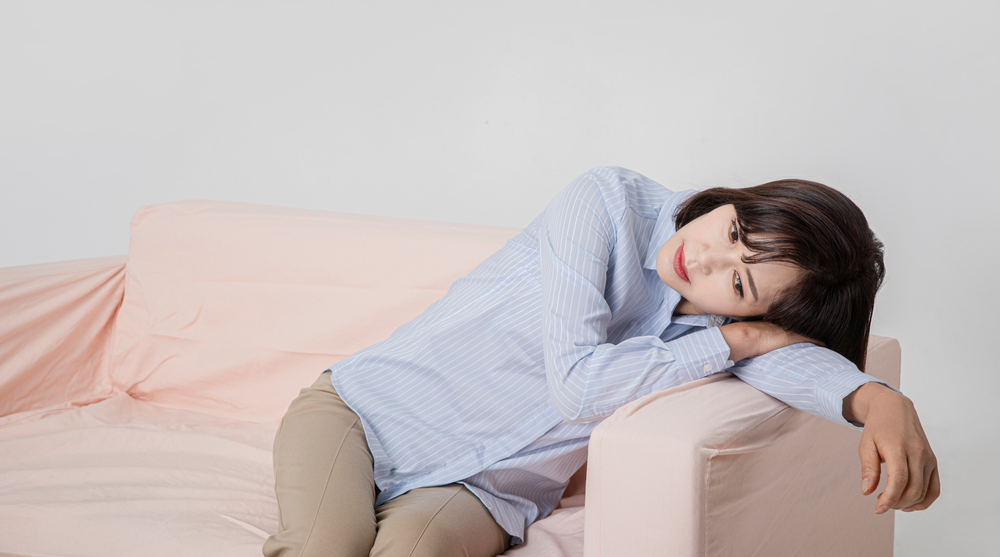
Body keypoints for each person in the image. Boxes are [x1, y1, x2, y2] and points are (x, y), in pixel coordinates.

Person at [262, 166, 939, 557]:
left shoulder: (727, 329)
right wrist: (737, 340)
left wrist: (879, 399)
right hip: (365, 414)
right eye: (735, 230)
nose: (704, 256)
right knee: (324, 549)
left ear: (761, 312)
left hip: (487, 490)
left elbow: (794, 361)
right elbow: (578, 387)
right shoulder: (606, 204)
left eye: (738, 282)